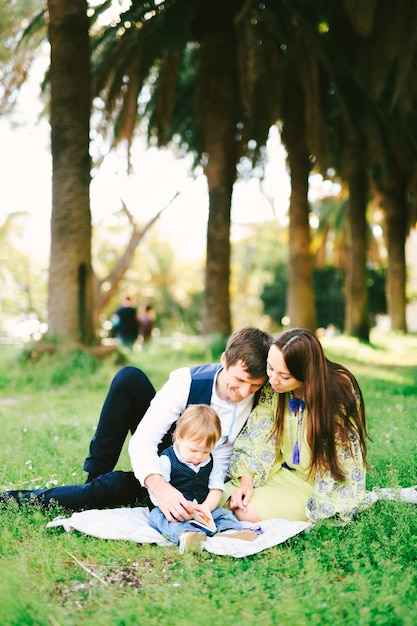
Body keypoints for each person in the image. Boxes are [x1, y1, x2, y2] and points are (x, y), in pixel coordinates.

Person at [1, 327, 271, 516]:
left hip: (201, 475)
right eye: (239, 382)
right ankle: (94, 477)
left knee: (114, 489)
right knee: (129, 378)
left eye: (255, 385)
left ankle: (99, 491)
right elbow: (145, 438)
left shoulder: (264, 398)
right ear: (224, 361)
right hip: (172, 450)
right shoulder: (186, 382)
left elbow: (223, 460)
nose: (245, 392)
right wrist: (159, 486)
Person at [224, 327, 370, 525]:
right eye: (270, 368)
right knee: (219, 497)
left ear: (307, 375)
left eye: (284, 376)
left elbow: (345, 459)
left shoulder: (338, 391)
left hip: (315, 485)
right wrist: (246, 481)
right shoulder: (274, 388)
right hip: (278, 472)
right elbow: (259, 434)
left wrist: (326, 504)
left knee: (245, 512)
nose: (273, 380)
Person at [147, 404, 243, 552]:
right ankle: (186, 536)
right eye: (193, 450)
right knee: (157, 517)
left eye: (206, 451)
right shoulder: (167, 459)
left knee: (224, 514)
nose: (199, 456)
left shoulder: (210, 462)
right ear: (179, 438)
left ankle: (229, 532)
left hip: (201, 509)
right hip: (174, 510)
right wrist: (178, 507)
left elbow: (216, 489)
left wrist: (206, 508)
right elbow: (158, 493)